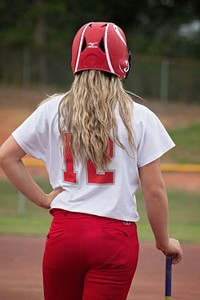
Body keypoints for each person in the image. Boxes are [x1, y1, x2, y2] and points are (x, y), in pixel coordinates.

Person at [0, 22, 183, 300]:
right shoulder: (141, 117)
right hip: (114, 237)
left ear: (75, 60)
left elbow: (6, 156)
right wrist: (163, 242)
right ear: (124, 62)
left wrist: (42, 199)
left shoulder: (53, 109)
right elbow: (154, 190)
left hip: (64, 232)